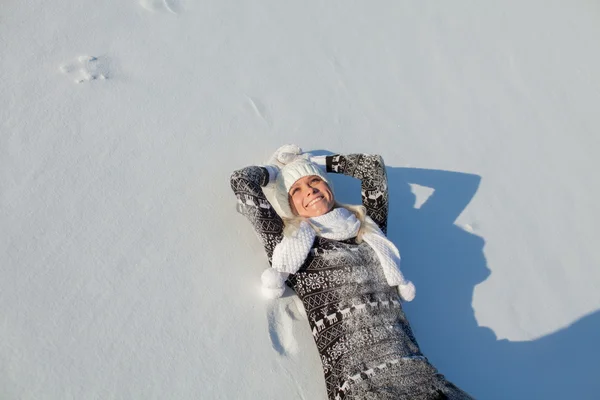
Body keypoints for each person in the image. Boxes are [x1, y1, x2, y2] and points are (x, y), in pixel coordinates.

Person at [230, 145, 473, 400]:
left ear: (328, 187)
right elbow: (242, 181)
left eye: (315, 181)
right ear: (289, 205)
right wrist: (278, 171)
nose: (310, 190)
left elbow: (371, 167)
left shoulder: (368, 230)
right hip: (361, 387)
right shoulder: (288, 246)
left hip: (421, 374)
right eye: (296, 190)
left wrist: (314, 162)